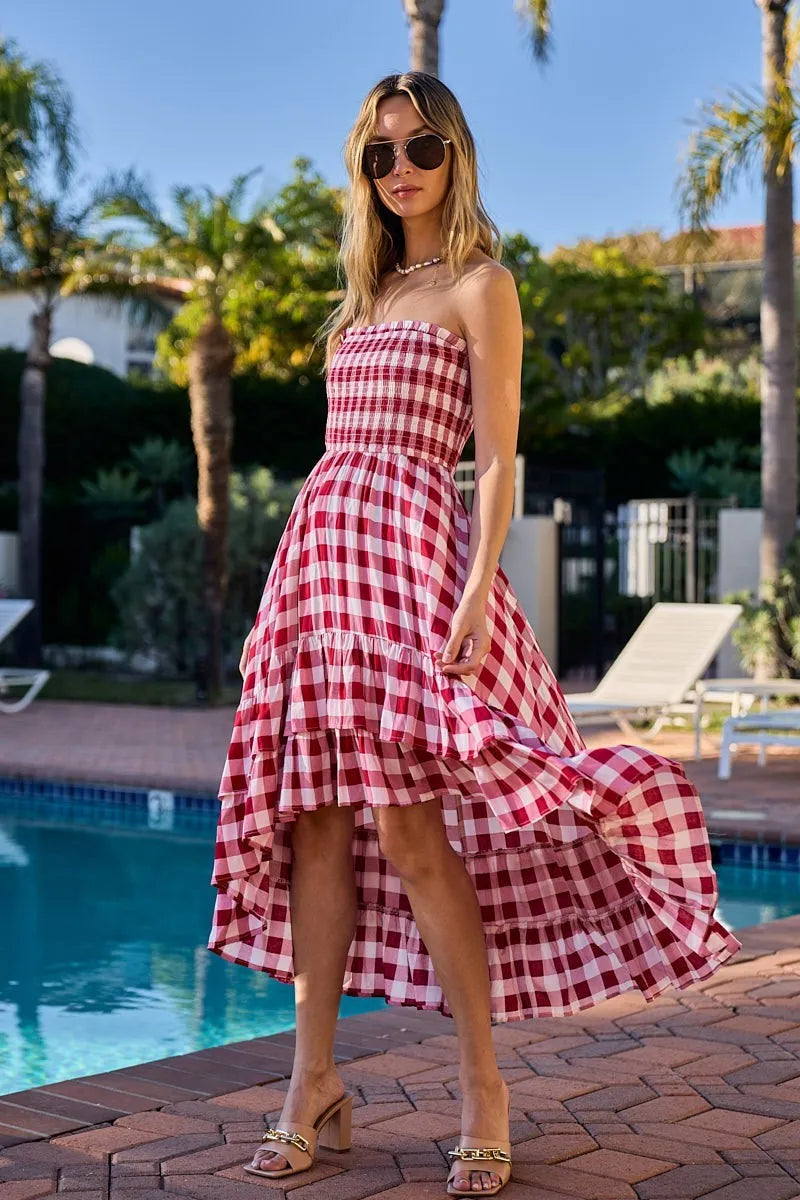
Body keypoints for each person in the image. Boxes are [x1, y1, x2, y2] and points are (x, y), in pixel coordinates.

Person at [207, 71, 741, 1197]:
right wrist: (285, 595)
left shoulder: (479, 285)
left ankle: (480, 1084)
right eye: (379, 155)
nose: (399, 169)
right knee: (311, 829)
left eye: (420, 148)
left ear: (456, 155)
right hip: (320, 566)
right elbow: (337, 455)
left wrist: (474, 582)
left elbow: (496, 457)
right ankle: (313, 1086)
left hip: (410, 567)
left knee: (407, 829)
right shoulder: (366, 295)